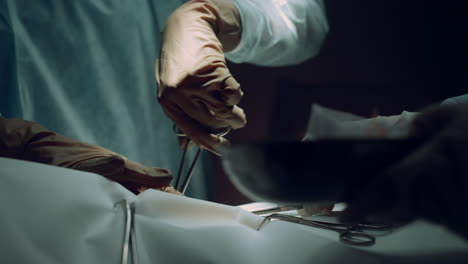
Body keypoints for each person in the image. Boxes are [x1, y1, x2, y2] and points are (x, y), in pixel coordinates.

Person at [0, 0, 328, 196]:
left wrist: (219, 16)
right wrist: (14, 143)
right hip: (21, 202)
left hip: (168, 191)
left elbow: (305, 18)